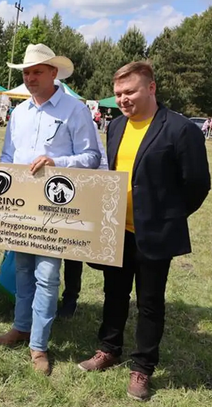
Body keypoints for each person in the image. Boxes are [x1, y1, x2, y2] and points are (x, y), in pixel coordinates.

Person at [77, 61, 210, 401]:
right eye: (118, 93)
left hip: (155, 235)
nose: (123, 99)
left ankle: (142, 368)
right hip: (116, 230)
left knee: (150, 303)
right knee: (114, 293)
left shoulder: (181, 130)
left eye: (130, 91)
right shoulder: (117, 126)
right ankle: (108, 349)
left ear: (151, 88)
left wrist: (169, 216)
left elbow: (197, 183)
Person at [0, 43, 102, 375]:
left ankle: (38, 346)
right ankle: (21, 328)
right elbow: (8, 156)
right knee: (22, 270)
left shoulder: (75, 109)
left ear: (54, 72)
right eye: (26, 72)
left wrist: (58, 162)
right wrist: (3, 179)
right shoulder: (19, 112)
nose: (30, 77)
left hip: (57, 208)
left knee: (48, 276)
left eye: (37, 71)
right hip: (22, 208)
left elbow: (92, 158)